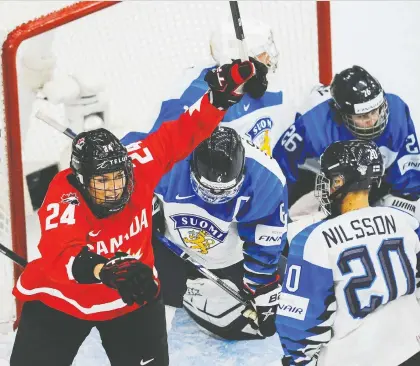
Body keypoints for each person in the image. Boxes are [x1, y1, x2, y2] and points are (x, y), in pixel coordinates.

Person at [10, 59, 263, 366]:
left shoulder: (138, 164)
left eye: (118, 177)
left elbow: (183, 132)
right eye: (102, 181)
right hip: (64, 298)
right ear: (80, 180)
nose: (114, 188)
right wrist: (106, 271)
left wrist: (219, 98)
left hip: (132, 293)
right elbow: (61, 252)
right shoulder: (66, 197)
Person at [121, 125, 288, 340]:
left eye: (224, 191)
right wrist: (142, 205)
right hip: (173, 248)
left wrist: (262, 287)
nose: (214, 198)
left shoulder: (265, 180)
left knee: (283, 299)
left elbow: (265, 243)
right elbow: (122, 156)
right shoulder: (170, 157)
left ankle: (202, 295)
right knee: (157, 307)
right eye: (207, 189)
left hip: (231, 257)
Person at [276, 140, 420, 366]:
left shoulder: (313, 240)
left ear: (339, 182)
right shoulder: (406, 222)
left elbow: (299, 326)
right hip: (412, 350)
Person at [272, 65, 420, 219]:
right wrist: (279, 214)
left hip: (379, 179)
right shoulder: (312, 126)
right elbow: (280, 169)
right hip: (324, 182)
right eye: (362, 116)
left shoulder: (397, 113)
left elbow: (409, 175)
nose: (372, 120)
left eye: (375, 111)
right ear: (341, 114)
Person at [148, 19, 296, 156]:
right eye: (263, 53)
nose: (269, 58)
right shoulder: (193, 93)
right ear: (243, 56)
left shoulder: (267, 87)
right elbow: (163, 152)